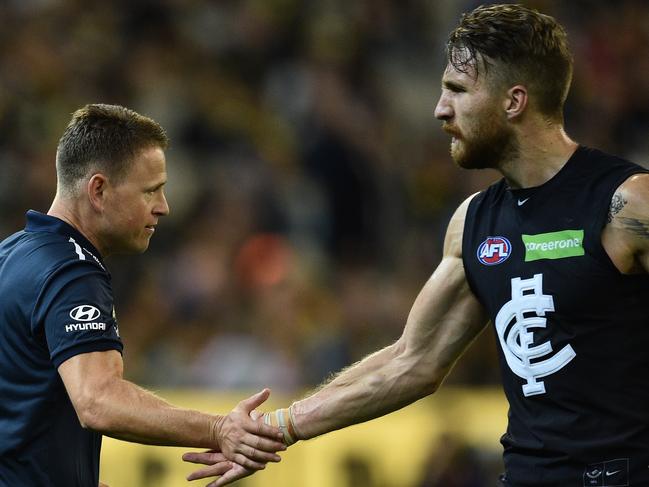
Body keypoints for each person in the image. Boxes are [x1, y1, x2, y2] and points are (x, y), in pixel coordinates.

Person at [184, 4, 649, 486]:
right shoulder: (473, 223)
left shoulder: (628, 204)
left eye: (457, 91)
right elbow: (412, 361)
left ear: (514, 102)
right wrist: (278, 427)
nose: (440, 109)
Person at [0, 104, 287, 487]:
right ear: (98, 190)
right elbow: (99, 401)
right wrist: (219, 430)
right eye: (151, 190)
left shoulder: (12, 254)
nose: (163, 207)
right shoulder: (72, 273)